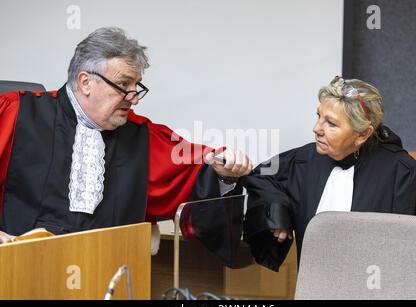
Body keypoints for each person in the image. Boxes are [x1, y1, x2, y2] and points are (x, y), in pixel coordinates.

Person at [0, 27, 252, 251]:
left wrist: (224, 173)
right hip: (16, 268)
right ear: (85, 82)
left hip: (110, 271)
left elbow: (196, 166)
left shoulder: (141, 136)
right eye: (123, 85)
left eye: (137, 86)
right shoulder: (16, 112)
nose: (134, 98)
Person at [243, 76, 416, 272]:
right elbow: (261, 174)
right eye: (318, 116)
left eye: (331, 124)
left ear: (362, 134)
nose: (316, 128)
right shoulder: (304, 159)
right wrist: (278, 214)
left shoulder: (403, 174)